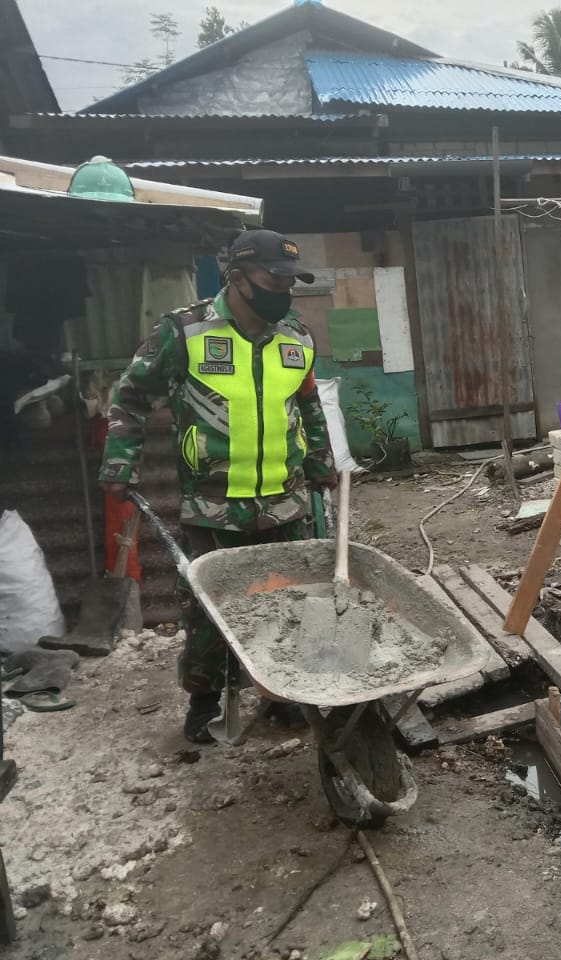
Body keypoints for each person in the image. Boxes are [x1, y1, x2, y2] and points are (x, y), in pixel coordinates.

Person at [100, 230, 337, 744]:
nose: (284, 291)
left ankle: (283, 695)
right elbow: (130, 397)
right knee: (210, 613)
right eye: (274, 279)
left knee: (290, 603)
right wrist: (120, 461)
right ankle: (205, 702)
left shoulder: (296, 337)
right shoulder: (184, 332)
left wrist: (321, 461)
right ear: (237, 276)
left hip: (286, 503)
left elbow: (309, 405)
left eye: (290, 281)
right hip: (213, 507)